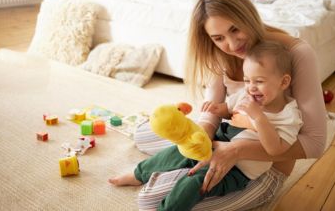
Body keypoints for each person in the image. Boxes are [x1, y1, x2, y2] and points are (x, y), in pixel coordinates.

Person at [109, 41, 304, 210]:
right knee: (179, 150)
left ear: (283, 82)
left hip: (236, 170)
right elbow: (230, 109)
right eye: (247, 80)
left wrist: (259, 118)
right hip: (216, 141)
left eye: (259, 81)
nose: (251, 87)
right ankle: (139, 174)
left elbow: (276, 149)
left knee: (195, 182)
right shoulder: (247, 94)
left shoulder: (289, 115)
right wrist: (217, 109)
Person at [186, 0, 327, 194]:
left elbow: (315, 144)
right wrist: (203, 135)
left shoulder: (296, 53)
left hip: (263, 169)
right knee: (155, 135)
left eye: (235, 29)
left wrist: (236, 150)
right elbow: (212, 110)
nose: (232, 45)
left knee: (157, 200)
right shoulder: (220, 50)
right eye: (219, 38)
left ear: (248, 16)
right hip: (227, 138)